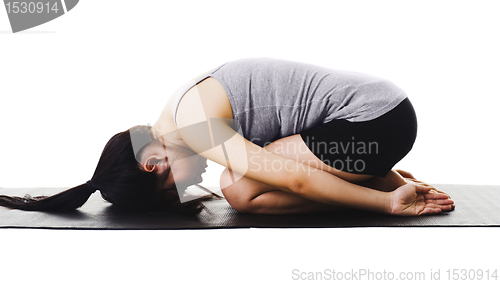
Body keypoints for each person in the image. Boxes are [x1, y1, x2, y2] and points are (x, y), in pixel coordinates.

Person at [0, 57, 454, 216]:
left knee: (240, 191)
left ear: (152, 162)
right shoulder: (179, 111)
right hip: (378, 125)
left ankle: (380, 188)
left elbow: (292, 179)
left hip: (376, 124)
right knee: (241, 179)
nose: (190, 181)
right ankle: (374, 176)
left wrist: (387, 205)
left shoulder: (193, 125)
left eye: (171, 187)